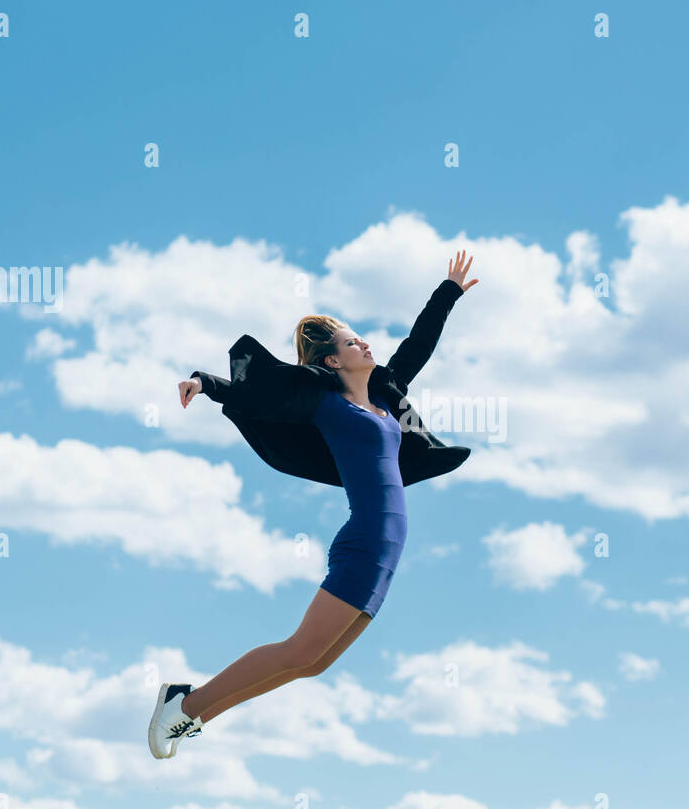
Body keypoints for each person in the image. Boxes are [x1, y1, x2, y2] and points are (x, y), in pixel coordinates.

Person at [148, 250, 478, 758]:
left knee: (312, 663)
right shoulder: (325, 402)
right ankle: (183, 704)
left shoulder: (386, 398)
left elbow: (417, 347)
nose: (365, 344)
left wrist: (447, 293)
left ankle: (189, 716)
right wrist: (205, 383)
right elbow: (259, 393)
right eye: (352, 342)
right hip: (365, 542)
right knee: (299, 648)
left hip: (389, 553)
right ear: (332, 361)